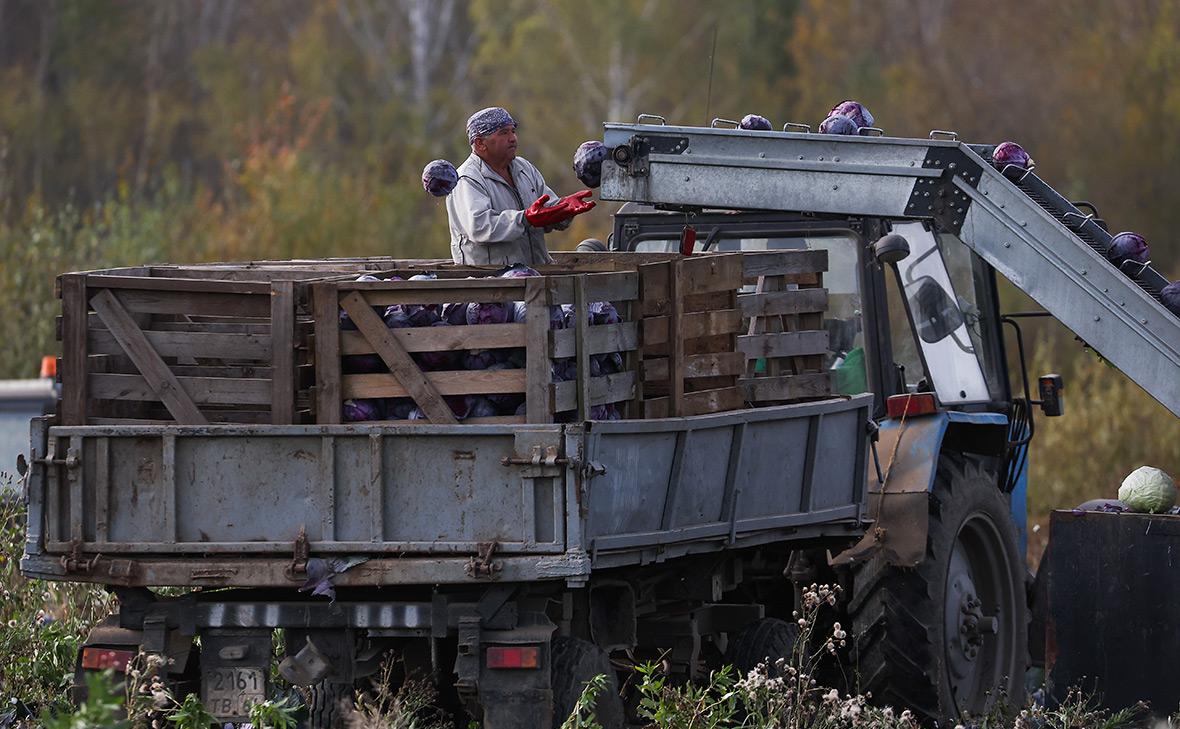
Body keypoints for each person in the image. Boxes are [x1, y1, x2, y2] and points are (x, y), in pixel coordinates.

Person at [447, 106, 595, 265]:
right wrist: (525, 219)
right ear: (480, 143)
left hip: (536, 275)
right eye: (504, 132)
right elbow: (480, 227)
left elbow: (544, 210)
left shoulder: (524, 168)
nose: (513, 138)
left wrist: (563, 209)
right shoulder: (466, 179)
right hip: (490, 283)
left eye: (513, 131)